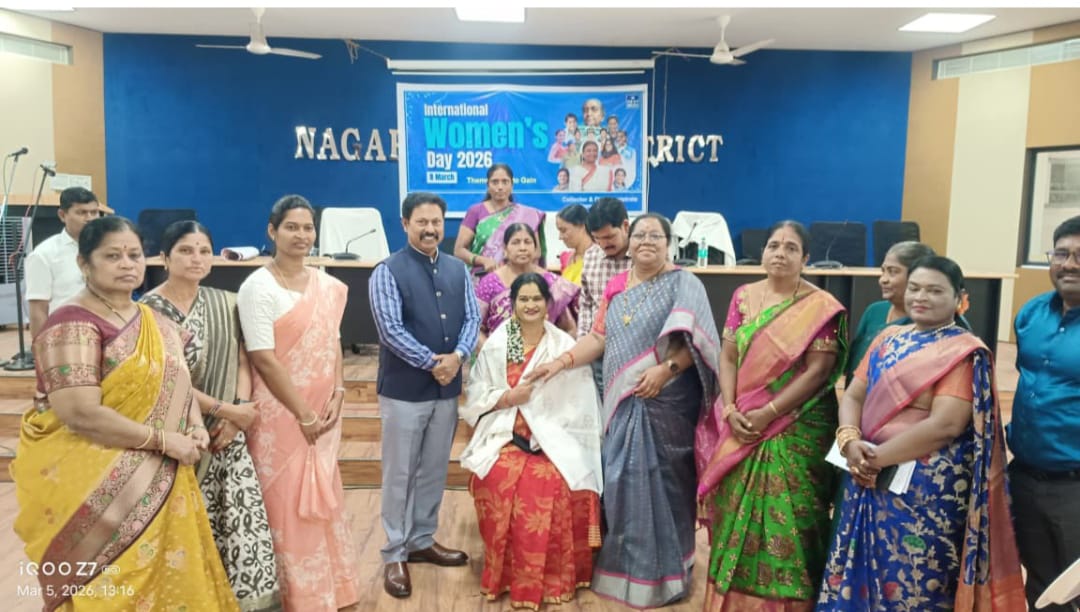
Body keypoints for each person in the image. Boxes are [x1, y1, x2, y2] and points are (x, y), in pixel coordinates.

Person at [11, 216, 239, 611]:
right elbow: (80, 413)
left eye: (134, 255)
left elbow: (177, 381)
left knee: (170, 582)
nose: (127, 264)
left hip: (163, 477)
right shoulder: (71, 323)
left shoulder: (154, 321)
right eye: (112, 256)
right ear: (84, 263)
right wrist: (165, 441)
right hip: (96, 485)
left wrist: (195, 424)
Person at [526, 213, 721, 608]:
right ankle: (630, 567)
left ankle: (669, 572)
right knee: (621, 481)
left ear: (669, 243)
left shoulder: (685, 283)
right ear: (630, 242)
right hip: (621, 399)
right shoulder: (617, 287)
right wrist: (560, 362)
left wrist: (666, 370)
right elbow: (598, 337)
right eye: (641, 234)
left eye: (656, 236)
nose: (647, 241)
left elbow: (701, 344)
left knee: (668, 485)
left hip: (667, 402)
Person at [819, 256, 1026, 610]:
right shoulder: (887, 337)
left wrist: (874, 458)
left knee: (913, 580)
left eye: (935, 291)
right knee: (859, 567)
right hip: (865, 474)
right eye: (915, 288)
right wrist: (849, 440)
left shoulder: (964, 352)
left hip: (923, 490)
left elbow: (944, 425)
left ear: (959, 298)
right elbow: (853, 394)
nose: (921, 297)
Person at [696, 220, 848, 610]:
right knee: (736, 511)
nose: (780, 253)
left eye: (791, 248)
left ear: (805, 258)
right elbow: (728, 355)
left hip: (798, 423)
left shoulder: (821, 307)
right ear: (762, 252)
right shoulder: (744, 297)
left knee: (794, 517)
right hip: (742, 419)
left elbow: (818, 371)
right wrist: (730, 409)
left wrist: (769, 412)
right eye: (773, 246)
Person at [141, 221, 281, 611]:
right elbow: (167, 379)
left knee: (239, 520)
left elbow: (242, 360)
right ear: (165, 258)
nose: (197, 258)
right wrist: (226, 410)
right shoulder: (146, 312)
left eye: (204, 250)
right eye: (186, 250)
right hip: (178, 434)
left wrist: (237, 415)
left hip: (227, 434)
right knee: (185, 526)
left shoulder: (226, 303)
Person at [237, 195, 359, 611]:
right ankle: (298, 596)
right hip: (281, 414)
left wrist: (339, 391)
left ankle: (333, 589)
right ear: (272, 231)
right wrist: (302, 413)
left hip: (322, 412)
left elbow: (333, 341)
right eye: (291, 227)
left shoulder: (326, 284)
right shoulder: (258, 287)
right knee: (286, 500)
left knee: (322, 494)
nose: (301, 235)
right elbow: (263, 358)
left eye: (308, 228)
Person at [461, 272, 604, 610]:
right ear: (513, 304)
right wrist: (508, 397)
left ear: (548, 304)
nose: (530, 305)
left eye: (536, 298)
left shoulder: (562, 346)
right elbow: (477, 392)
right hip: (505, 433)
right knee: (501, 478)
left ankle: (558, 579)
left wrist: (549, 434)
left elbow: (579, 401)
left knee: (565, 484)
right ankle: (507, 576)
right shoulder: (501, 342)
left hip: (558, 439)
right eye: (523, 299)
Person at [369, 191, 480, 599]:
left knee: (434, 468)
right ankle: (395, 551)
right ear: (405, 224)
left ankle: (421, 539)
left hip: (446, 390)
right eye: (422, 222)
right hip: (404, 390)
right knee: (400, 472)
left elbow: (472, 317)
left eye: (436, 222)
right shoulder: (387, 271)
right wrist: (435, 362)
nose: (431, 229)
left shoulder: (457, 268)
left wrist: (459, 356)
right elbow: (390, 330)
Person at [1009, 215, 1080, 611]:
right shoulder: (1031, 314)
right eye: (1062, 253)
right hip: (1026, 477)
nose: (1070, 264)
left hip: (1076, 486)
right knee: (1041, 588)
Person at [845, 241, 936, 384]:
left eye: (893, 272)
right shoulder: (874, 311)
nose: (883, 280)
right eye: (883, 271)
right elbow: (854, 365)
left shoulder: (931, 322)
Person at [475, 223, 578, 341]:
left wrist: (558, 351)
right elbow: (475, 329)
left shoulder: (552, 283)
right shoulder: (490, 283)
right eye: (516, 242)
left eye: (527, 242)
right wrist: (491, 351)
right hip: (500, 350)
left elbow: (569, 329)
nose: (522, 248)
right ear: (505, 248)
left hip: (545, 350)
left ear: (535, 248)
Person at [25, 186, 101, 340]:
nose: (89, 218)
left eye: (94, 212)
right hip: (65, 337)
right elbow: (38, 309)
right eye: (81, 212)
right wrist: (42, 348)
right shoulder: (44, 254)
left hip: (105, 332)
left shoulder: (106, 247)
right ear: (62, 215)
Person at [455, 163, 546, 279]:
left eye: (505, 182)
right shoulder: (475, 211)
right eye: (495, 182)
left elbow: (537, 252)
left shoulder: (527, 214)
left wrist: (513, 260)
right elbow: (459, 250)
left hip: (518, 278)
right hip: (483, 277)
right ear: (488, 185)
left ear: (512, 185)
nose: (500, 187)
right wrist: (483, 260)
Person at [577, 197, 631, 339]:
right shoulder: (591, 255)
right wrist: (581, 341)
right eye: (597, 238)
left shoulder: (642, 257)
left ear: (625, 226)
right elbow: (586, 304)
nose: (603, 244)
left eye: (609, 237)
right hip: (596, 342)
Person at [555, 203, 592, 286]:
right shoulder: (567, 258)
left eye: (563, 230)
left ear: (582, 226)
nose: (560, 237)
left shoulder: (598, 257)